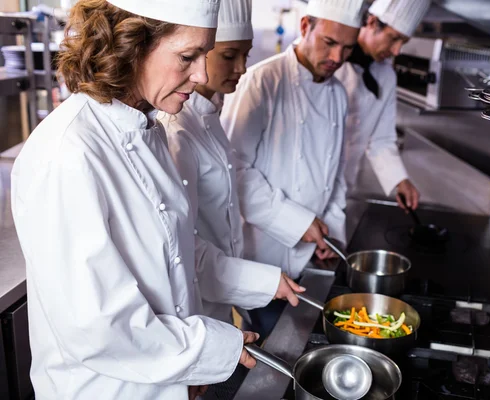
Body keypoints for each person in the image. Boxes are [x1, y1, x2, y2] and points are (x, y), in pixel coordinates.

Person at [10, 0, 290, 398]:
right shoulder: (68, 154)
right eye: (188, 56)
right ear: (130, 44)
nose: (202, 74)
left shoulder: (149, 130)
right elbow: (98, 327)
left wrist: (189, 370)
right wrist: (206, 353)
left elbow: (179, 252)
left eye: (205, 54)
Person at [221, 0, 364, 337]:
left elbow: (336, 173)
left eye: (347, 48)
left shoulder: (339, 94)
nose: (338, 58)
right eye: (329, 43)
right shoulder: (261, 82)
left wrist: (332, 232)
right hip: (265, 256)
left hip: (315, 252)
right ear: (305, 28)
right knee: (273, 341)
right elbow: (236, 173)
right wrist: (297, 223)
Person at [159, 0, 303, 327]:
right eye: (229, 56)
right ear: (199, 52)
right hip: (196, 309)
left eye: (246, 55)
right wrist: (261, 281)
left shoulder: (209, 115)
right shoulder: (176, 130)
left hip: (222, 300)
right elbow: (183, 247)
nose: (241, 68)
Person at [335, 0, 431, 210]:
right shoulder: (330, 64)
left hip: (342, 193)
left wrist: (399, 180)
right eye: (394, 38)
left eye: (403, 42)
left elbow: (380, 138)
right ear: (371, 22)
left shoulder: (385, 75)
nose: (397, 51)